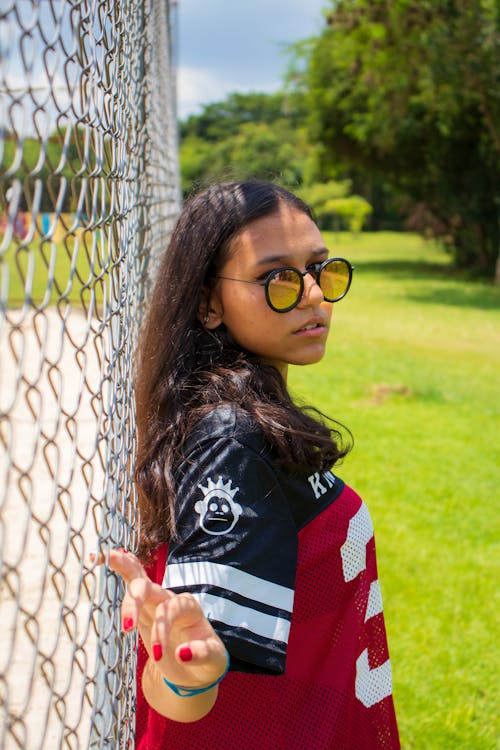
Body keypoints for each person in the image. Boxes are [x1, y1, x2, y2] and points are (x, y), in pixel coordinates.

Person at [106, 180, 400, 748]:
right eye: (277, 279)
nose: (313, 294)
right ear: (208, 302)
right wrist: (185, 673)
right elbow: (191, 672)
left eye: (321, 269)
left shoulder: (251, 417)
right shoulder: (231, 438)